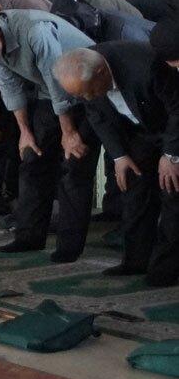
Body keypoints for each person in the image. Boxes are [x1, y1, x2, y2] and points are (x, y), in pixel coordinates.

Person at [0, 9, 99, 261]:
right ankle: (28, 236)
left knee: (73, 166)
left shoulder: (36, 32)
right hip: (47, 94)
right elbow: (11, 89)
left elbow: (59, 83)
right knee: (32, 160)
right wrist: (25, 133)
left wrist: (69, 132)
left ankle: (69, 246)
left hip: (85, 90)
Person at [55, 43, 178, 286]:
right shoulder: (85, 72)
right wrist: (119, 156)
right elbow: (97, 116)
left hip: (171, 130)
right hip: (139, 131)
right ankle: (135, 261)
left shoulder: (145, 66)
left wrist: (172, 155)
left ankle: (166, 269)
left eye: (89, 92)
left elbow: (177, 109)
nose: (87, 98)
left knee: (172, 189)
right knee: (134, 186)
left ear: (102, 72)